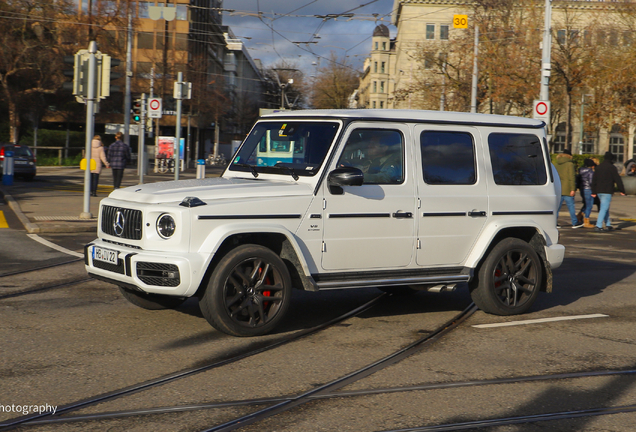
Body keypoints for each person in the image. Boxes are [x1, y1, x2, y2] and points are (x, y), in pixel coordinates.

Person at [591, 151, 626, 232]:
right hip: (607, 190)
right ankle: (598, 225)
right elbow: (618, 179)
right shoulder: (612, 167)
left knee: (604, 207)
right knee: (604, 208)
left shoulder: (598, 167)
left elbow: (594, 180)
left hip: (599, 190)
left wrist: (593, 191)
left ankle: (608, 224)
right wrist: (622, 190)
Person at [555, 148, 582, 228]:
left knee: (557, 207)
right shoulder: (570, 164)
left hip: (558, 188)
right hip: (568, 189)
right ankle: (574, 222)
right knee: (571, 206)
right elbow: (572, 177)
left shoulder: (556, 164)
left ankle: (554, 223)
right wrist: (573, 189)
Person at [577, 158, 596, 228]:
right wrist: (595, 190)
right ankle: (586, 221)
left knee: (586, 204)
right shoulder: (590, 172)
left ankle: (579, 216)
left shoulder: (580, 170)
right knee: (589, 206)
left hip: (582, 189)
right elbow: (591, 182)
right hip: (589, 189)